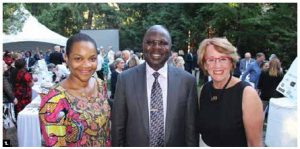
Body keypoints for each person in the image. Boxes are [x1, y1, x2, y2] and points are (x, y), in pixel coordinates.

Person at [112, 25, 199, 147]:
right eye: (150, 42)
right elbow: (118, 128)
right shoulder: (125, 80)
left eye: (163, 43)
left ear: (170, 48)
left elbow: (191, 131)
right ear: (143, 45)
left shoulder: (187, 82)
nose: (156, 47)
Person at [39, 33, 111, 147]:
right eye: (78, 58)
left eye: (92, 59)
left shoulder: (100, 85)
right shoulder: (54, 101)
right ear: (66, 58)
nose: (86, 65)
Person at [197, 37, 263, 147]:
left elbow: (254, 144)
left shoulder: (247, 94)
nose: (217, 65)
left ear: (232, 62)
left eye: (223, 59)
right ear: (205, 64)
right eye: (211, 59)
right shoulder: (204, 89)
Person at [3, 61, 18, 138]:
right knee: (4, 127)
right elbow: (7, 89)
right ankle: (5, 144)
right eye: (4, 64)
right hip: (4, 103)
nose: (6, 65)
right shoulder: (2, 78)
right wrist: (14, 98)